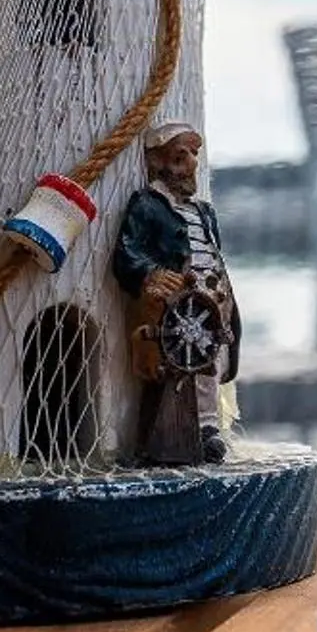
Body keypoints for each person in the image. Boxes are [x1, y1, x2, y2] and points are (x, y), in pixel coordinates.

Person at [112, 122, 239, 464]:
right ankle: (174, 432)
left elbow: (214, 253)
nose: (192, 164)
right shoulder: (148, 205)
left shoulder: (204, 212)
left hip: (211, 298)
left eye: (193, 155)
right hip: (178, 302)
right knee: (179, 364)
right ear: (158, 163)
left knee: (212, 358)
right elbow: (128, 252)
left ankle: (209, 427)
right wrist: (150, 274)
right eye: (180, 156)